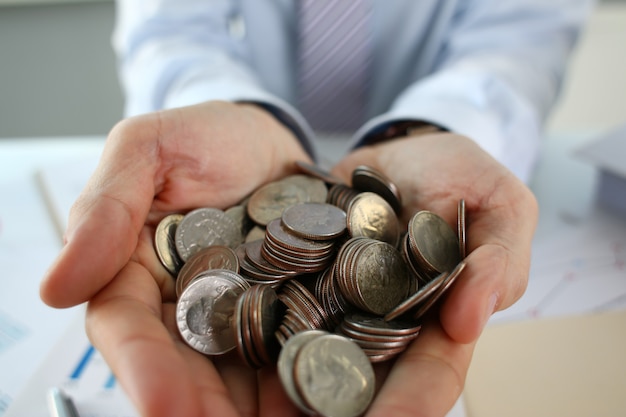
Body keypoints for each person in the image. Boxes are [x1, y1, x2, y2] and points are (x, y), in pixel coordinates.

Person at [40, 1, 593, 416]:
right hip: (247, 135)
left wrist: (442, 127)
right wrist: (224, 104)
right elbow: (172, 28)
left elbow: (520, 36)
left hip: (425, 136)